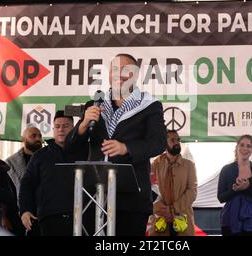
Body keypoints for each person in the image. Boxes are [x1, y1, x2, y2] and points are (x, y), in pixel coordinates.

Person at [66, 53, 167, 236]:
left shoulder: (149, 106)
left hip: (131, 198)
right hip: (93, 195)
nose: (118, 74)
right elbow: (71, 147)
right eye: (114, 69)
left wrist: (126, 148)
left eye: (124, 70)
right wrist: (82, 126)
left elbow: (158, 143)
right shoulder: (94, 104)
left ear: (134, 75)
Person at [19, 110, 88, 236]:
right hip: (50, 219)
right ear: (53, 129)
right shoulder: (40, 155)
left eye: (65, 126)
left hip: (84, 216)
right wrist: (25, 210)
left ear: (74, 128)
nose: (61, 129)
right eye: (57, 126)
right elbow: (27, 184)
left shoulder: (87, 151)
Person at [148, 130, 197, 236]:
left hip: (183, 221)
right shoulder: (154, 165)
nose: (177, 142)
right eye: (173, 140)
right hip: (160, 220)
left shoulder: (189, 165)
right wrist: (163, 210)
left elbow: (192, 192)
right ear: (164, 143)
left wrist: (173, 209)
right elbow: (150, 191)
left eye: (178, 140)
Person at [217, 135, 252, 236]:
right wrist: (234, 190)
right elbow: (221, 197)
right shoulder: (226, 169)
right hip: (230, 221)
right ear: (237, 147)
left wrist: (248, 187)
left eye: (248, 146)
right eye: (242, 145)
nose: (245, 148)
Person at [6, 126, 42, 236]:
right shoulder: (10, 163)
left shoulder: (47, 159)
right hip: (18, 214)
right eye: (33, 136)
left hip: (42, 211)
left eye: (40, 136)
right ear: (24, 139)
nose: (38, 139)